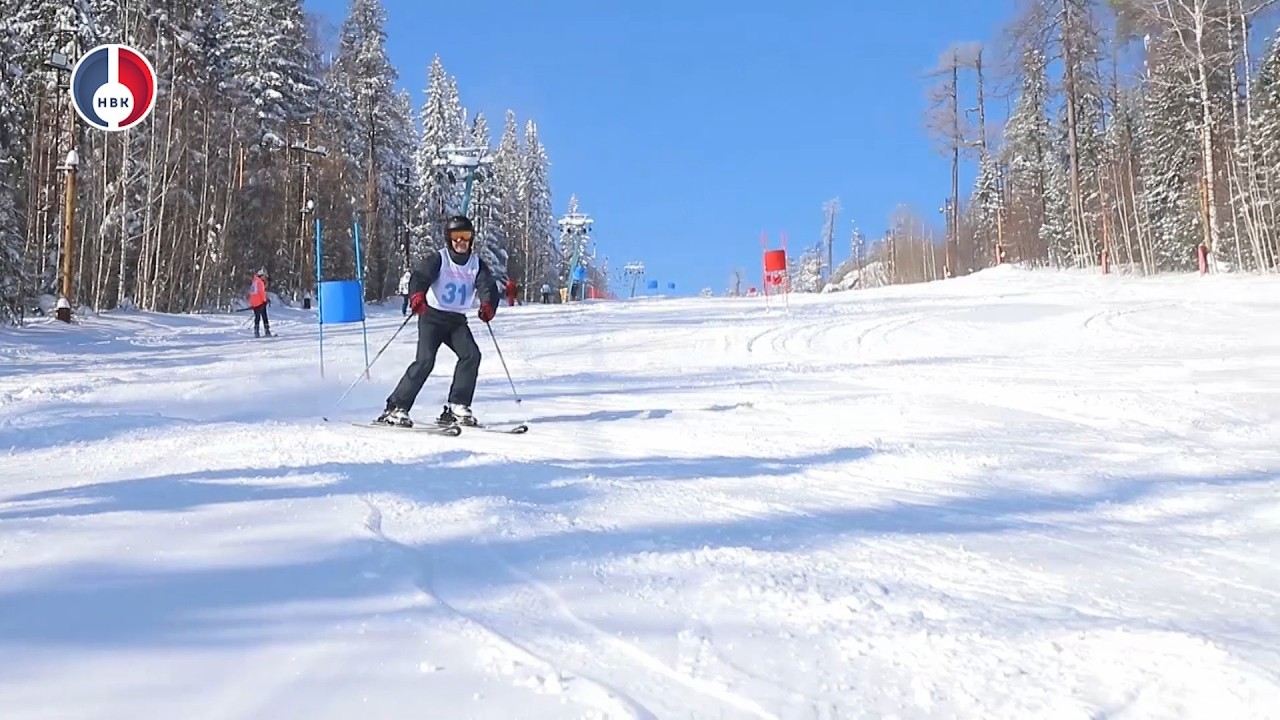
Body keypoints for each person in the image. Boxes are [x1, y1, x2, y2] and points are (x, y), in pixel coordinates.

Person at [377, 215, 499, 428]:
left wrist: (488, 305)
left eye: (465, 236)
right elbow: (420, 277)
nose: (461, 241)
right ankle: (396, 407)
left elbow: (487, 287)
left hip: (456, 321)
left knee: (471, 355)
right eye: (456, 237)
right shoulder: (439, 259)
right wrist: (417, 296)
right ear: (448, 239)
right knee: (425, 361)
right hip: (432, 317)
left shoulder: (476, 264)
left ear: (471, 239)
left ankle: (458, 406)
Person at [248, 268, 270, 337]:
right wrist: (264, 300)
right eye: (264, 276)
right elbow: (261, 292)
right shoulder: (260, 282)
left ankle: (256, 331)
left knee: (257, 317)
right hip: (259, 302)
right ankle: (267, 331)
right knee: (264, 316)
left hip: (254, 302)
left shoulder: (254, 281)